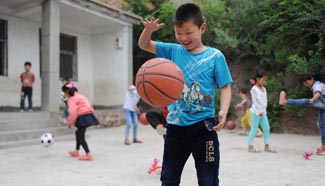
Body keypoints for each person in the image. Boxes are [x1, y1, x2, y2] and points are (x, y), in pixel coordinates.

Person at [138, 3, 232, 186]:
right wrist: (148, 31)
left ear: (202, 28)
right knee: (169, 179)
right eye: (178, 33)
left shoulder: (215, 56)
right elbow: (144, 44)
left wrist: (224, 110)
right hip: (175, 128)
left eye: (188, 33)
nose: (183, 38)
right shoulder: (173, 50)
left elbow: (225, 86)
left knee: (208, 180)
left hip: (204, 129)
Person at [279, 74, 325, 155]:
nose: (306, 85)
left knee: (307, 101)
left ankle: (286, 101)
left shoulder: (316, 85)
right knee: (321, 125)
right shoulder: (317, 84)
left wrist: (313, 99)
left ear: (312, 79)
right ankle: (324, 145)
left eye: (307, 82)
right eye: (305, 83)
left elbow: (318, 93)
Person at [62, 83, 99, 161]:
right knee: (78, 133)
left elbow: (72, 113)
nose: (63, 94)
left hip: (83, 116)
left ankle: (88, 154)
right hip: (88, 115)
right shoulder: (79, 95)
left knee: (80, 135)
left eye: (64, 92)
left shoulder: (71, 99)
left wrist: (69, 123)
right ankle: (76, 151)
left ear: (67, 92)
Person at [248, 72, 276, 153]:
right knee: (254, 128)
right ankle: (250, 146)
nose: (264, 82)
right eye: (263, 80)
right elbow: (255, 101)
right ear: (258, 79)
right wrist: (259, 111)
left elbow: (265, 101)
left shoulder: (264, 89)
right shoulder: (254, 89)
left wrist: (263, 111)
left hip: (263, 112)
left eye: (265, 80)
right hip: (256, 112)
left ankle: (267, 146)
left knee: (267, 128)